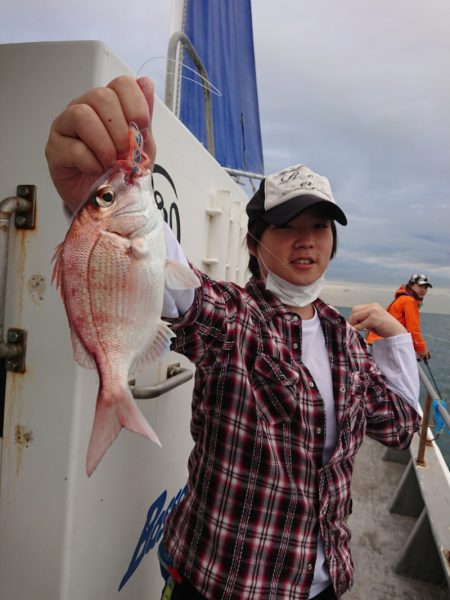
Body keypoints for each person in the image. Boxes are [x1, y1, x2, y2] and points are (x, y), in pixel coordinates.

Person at [45, 76, 421, 600]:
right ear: (254, 243)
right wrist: (93, 195)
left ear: (334, 241)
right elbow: (183, 295)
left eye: (320, 224)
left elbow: (401, 427)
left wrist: (397, 340)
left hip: (324, 585)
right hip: (223, 584)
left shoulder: (347, 342)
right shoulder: (237, 318)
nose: (307, 238)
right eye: (288, 225)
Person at [366, 274, 432, 360]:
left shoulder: (401, 298)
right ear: (411, 285)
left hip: (376, 342)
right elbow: (413, 330)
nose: (423, 290)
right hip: (384, 344)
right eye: (420, 286)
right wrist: (422, 349)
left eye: (425, 287)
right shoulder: (409, 301)